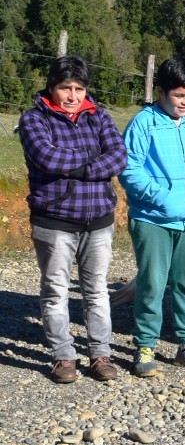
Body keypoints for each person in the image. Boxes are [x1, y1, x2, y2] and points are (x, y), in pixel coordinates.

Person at [19, 56, 127, 383]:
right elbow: (46, 156)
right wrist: (95, 163)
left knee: (95, 290)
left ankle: (100, 353)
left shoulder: (100, 116)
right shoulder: (34, 119)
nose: (73, 95)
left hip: (99, 220)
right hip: (54, 220)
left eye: (79, 88)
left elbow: (119, 155)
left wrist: (79, 169)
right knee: (56, 291)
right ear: (52, 87)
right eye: (66, 87)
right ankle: (63, 355)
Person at [120, 57, 185, 377]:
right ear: (161, 92)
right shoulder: (143, 123)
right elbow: (129, 168)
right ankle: (145, 348)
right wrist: (163, 198)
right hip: (152, 219)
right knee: (151, 284)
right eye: (179, 95)